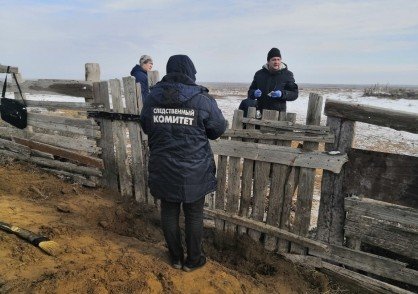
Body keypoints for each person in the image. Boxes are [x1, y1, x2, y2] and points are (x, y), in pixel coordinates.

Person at [139, 55, 227, 272]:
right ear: (190, 72)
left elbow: (146, 125)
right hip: (194, 169)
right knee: (194, 214)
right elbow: (217, 130)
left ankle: (176, 258)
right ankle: (194, 260)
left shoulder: (152, 98)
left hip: (163, 167)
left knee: (168, 212)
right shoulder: (202, 99)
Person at [248, 48, 298, 114]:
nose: (276, 62)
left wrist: (282, 94)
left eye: (278, 59)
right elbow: (250, 92)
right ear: (268, 61)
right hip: (260, 113)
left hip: (278, 115)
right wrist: (254, 93)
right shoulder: (259, 74)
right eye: (273, 60)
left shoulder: (287, 75)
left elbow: (294, 94)